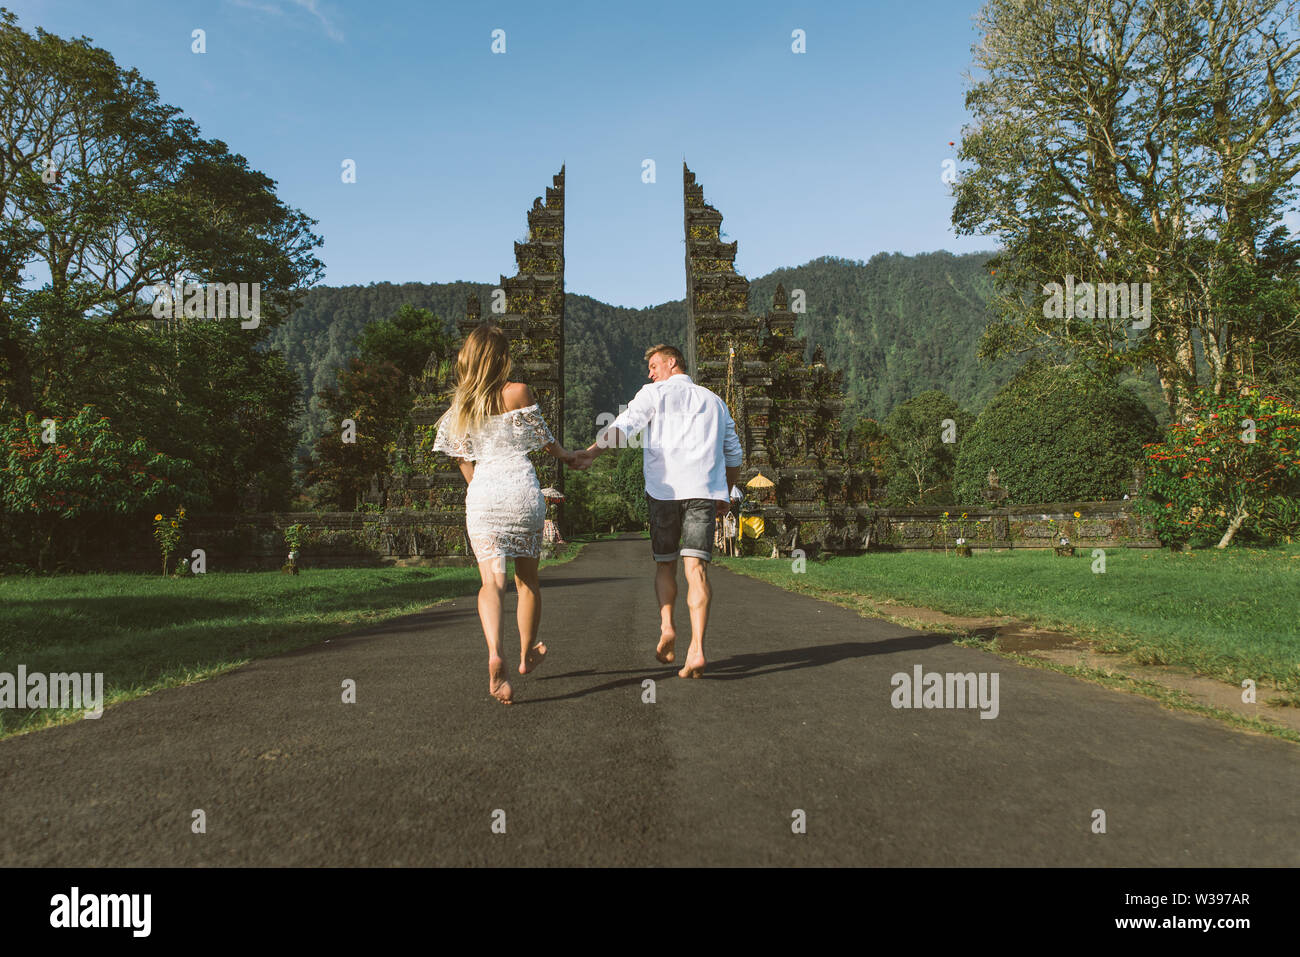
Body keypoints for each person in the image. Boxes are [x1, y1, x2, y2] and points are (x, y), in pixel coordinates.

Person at [571, 344, 742, 678]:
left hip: (663, 494)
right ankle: (697, 651)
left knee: (665, 565)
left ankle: (667, 627)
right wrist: (726, 492)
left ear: (671, 362)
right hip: (703, 493)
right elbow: (733, 452)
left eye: (653, 365)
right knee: (697, 571)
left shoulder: (652, 394)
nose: (650, 373)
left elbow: (624, 427)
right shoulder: (714, 401)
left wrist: (592, 453)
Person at [432, 324, 581, 704]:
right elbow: (546, 440)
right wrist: (570, 457)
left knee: (491, 584)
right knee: (527, 582)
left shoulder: (460, 406)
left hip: (483, 494)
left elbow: (463, 461)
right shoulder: (517, 392)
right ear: (501, 359)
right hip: (521, 492)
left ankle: (494, 651)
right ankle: (526, 654)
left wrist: (481, 489)